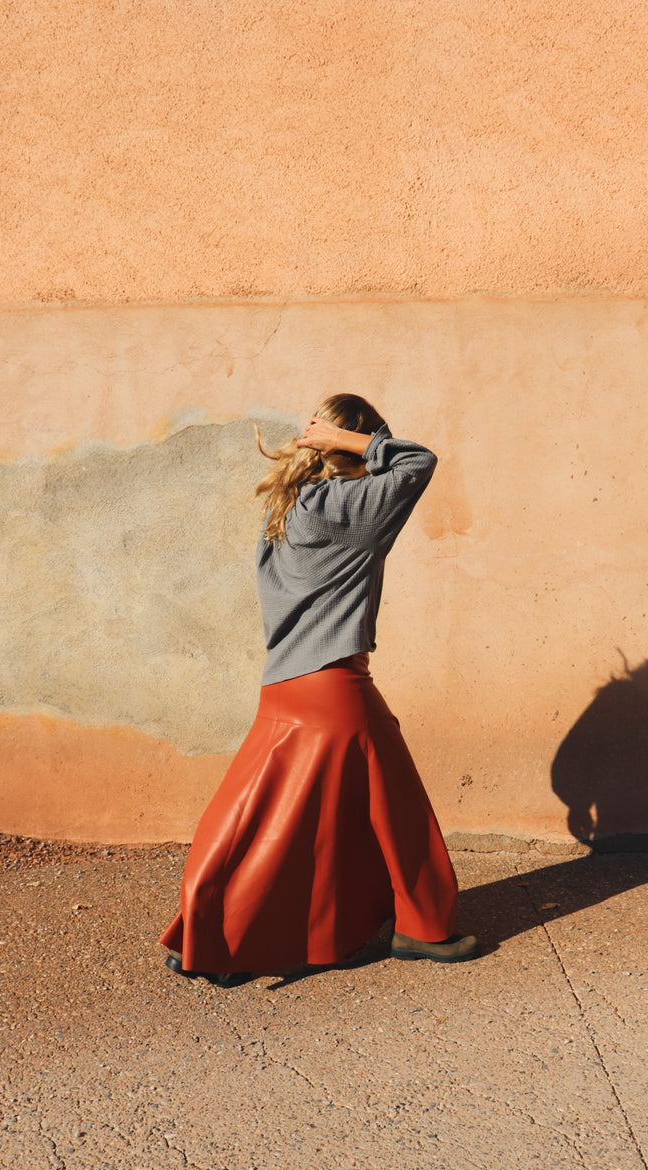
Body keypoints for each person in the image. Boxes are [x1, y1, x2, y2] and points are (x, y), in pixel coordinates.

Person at [160, 394, 476, 987]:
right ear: (352, 444)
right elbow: (418, 462)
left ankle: (202, 928)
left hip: (285, 684)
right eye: (369, 441)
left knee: (263, 812)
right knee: (395, 809)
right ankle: (421, 928)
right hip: (334, 685)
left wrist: (330, 441)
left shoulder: (289, 505)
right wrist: (355, 442)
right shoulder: (355, 506)